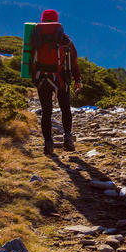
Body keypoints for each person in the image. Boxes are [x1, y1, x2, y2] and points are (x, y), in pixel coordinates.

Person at [31, 9, 81, 154]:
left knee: (46, 112)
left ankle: (48, 143)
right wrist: (77, 79)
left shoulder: (34, 38)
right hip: (61, 79)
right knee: (65, 109)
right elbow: (74, 61)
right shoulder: (64, 39)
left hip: (41, 79)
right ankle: (68, 138)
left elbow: (28, 58)